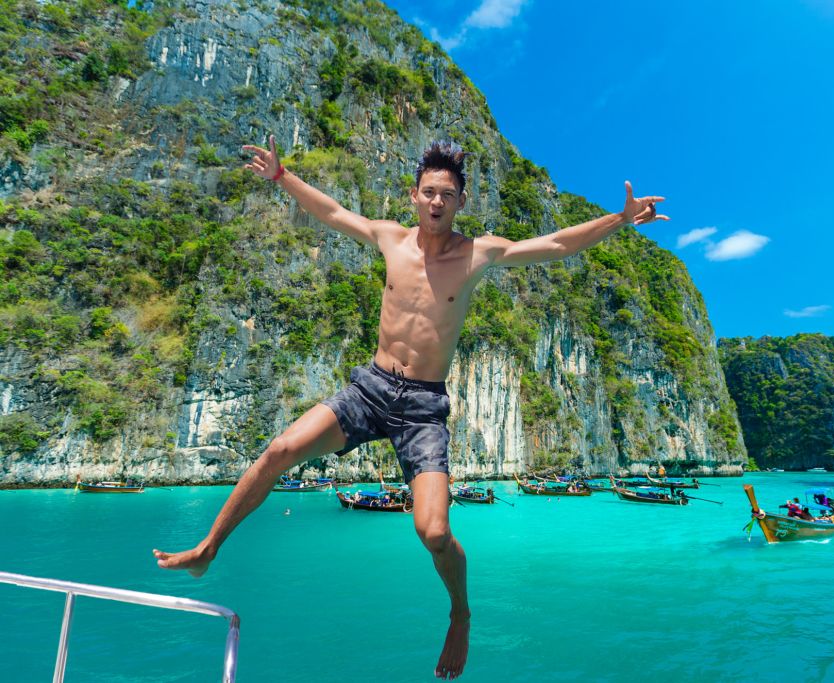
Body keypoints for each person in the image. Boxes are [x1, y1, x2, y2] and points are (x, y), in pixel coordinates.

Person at [151, 137, 667, 679]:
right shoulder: (390, 239)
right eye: (429, 192)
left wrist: (620, 219)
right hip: (371, 388)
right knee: (280, 449)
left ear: (461, 201)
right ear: (414, 197)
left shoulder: (478, 253)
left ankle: (460, 614)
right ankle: (208, 548)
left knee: (435, 533)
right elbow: (332, 213)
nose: (437, 201)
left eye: (448, 194)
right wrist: (282, 177)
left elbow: (557, 244)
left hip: (423, 409)